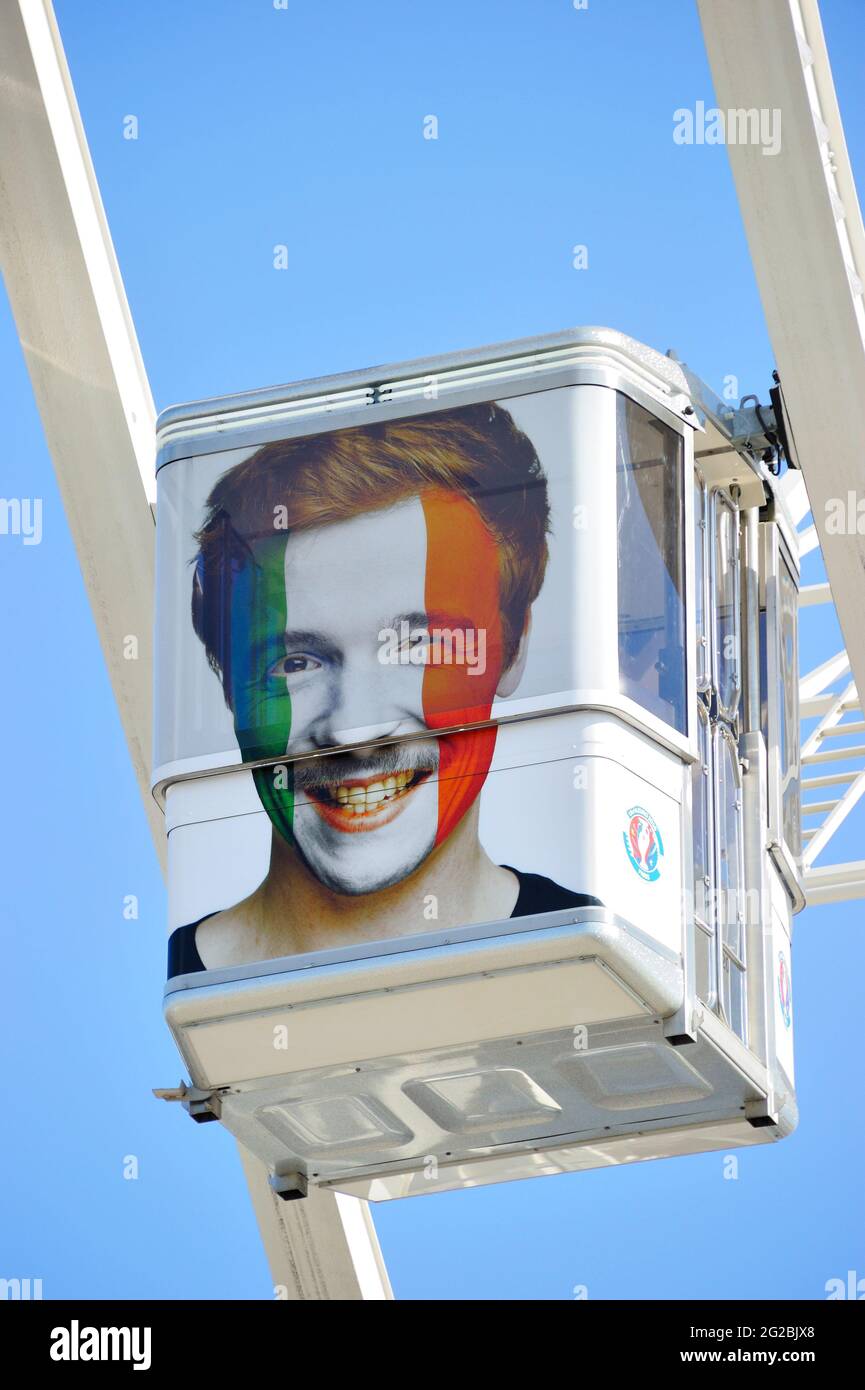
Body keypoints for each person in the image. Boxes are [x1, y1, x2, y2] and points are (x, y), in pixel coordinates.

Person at [168, 402, 598, 974]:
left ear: (513, 649)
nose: (353, 730)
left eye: (418, 648)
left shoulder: (589, 962)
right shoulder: (166, 991)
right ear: (228, 686)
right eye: (295, 662)